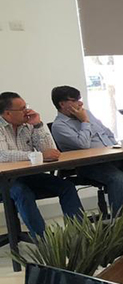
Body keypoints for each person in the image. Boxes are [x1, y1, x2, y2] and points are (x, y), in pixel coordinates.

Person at [50, 86, 123, 215]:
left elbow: (107, 132)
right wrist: (84, 121)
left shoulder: (86, 113)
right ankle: (119, 222)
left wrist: (115, 148)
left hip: (113, 158)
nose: (80, 103)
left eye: (80, 99)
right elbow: (83, 144)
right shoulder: (59, 126)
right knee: (118, 179)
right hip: (90, 165)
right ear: (62, 104)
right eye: (75, 100)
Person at [0, 91, 82, 237]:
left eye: (26, 106)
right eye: (22, 109)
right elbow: (3, 155)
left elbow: (50, 150)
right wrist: (38, 155)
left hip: (27, 174)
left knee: (67, 187)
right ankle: (43, 240)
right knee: (23, 193)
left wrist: (38, 125)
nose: (27, 111)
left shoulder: (28, 124)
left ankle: (79, 234)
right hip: (3, 180)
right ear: (8, 113)